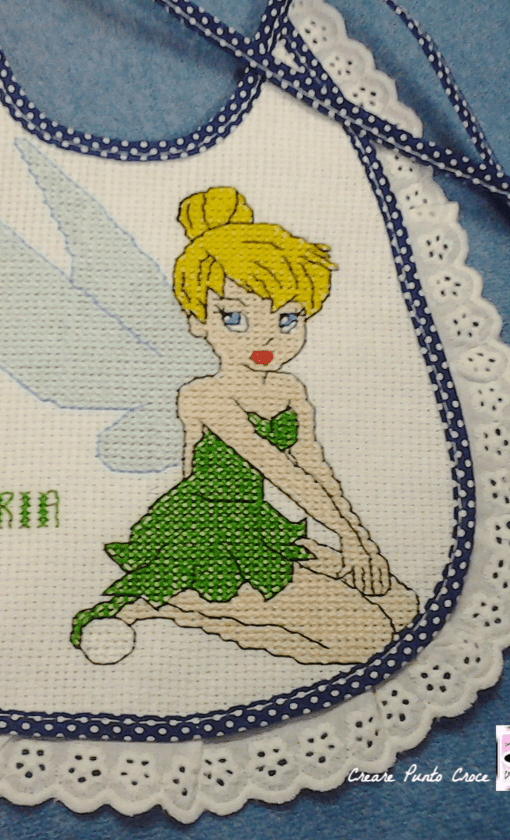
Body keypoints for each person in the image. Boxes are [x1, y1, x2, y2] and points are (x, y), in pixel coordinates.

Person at [73, 186, 418, 665]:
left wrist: (361, 541)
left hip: (257, 527)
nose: (265, 338)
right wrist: (350, 542)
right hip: (202, 535)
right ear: (198, 320)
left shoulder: (290, 390)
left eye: (288, 319)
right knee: (369, 635)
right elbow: (281, 471)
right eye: (234, 317)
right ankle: (167, 603)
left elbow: (314, 467)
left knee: (404, 608)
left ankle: (172, 601)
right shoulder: (205, 396)